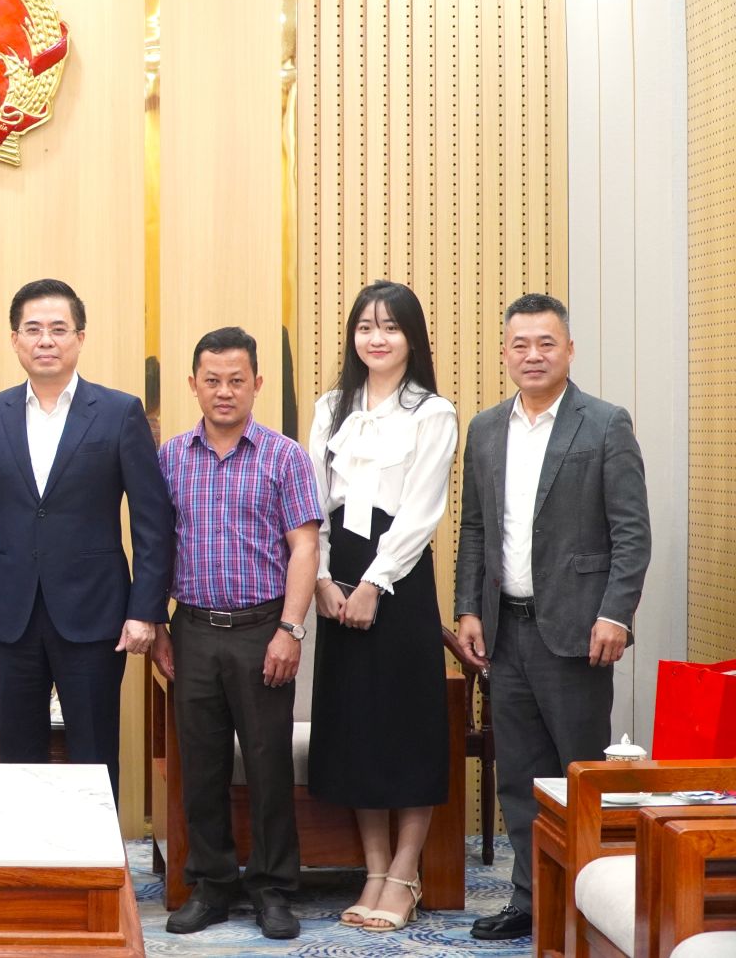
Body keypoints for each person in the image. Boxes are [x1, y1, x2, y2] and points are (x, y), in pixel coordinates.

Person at [455, 293, 650, 942]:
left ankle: (593, 902)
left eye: (546, 342)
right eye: (521, 344)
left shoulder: (605, 424)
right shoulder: (486, 428)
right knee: (520, 776)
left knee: (580, 773)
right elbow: (475, 528)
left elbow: (632, 532)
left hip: (577, 631)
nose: (533, 354)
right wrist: (468, 608)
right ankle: (531, 897)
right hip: (505, 628)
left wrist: (615, 613)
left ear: (569, 349)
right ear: (505, 353)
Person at [0, 279, 172, 801]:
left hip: (95, 615)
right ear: (14, 340)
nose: (45, 340)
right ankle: (25, 854)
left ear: (80, 338)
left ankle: (99, 856)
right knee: (18, 756)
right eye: (33, 329)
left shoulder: (119, 412)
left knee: (94, 755)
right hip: (9, 616)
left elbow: (152, 521)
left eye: (58, 329)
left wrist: (145, 611)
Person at [153, 326, 322, 941]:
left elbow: (305, 548)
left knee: (268, 764)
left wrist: (290, 630)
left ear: (257, 383)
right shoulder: (170, 458)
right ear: (193, 385)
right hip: (192, 629)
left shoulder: (284, 456)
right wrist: (158, 626)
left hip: (262, 630)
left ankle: (273, 888)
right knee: (200, 766)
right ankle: (212, 885)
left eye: (236, 380)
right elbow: (154, 546)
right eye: (212, 380)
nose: (224, 391)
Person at [304, 281, 458, 932]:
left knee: (406, 722)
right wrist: (321, 580)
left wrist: (373, 583)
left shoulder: (433, 412)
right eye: (366, 326)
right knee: (355, 726)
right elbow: (311, 501)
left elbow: (421, 511)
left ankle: (404, 871)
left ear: (412, 338)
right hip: (336, 571)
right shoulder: (331, 407)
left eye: (390, 327)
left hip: (399, 578)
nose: (377, 338)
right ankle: (373, 869)